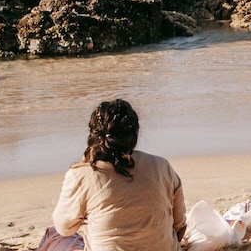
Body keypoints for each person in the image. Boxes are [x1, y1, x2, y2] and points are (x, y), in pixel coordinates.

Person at [51, 99, 188, 251]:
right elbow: (180, 225)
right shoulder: (162, 167)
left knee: (53, 235)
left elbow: (64, 228)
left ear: (94, 136)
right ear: (135, 135)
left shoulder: (82, 175)